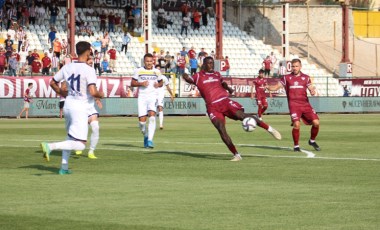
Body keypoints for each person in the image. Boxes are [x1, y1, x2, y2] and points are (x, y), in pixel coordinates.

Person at [182, 57, 282, 161]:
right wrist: (184, 73)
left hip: (224, 101)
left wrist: (228, 88)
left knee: (242, 116)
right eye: (209, 63)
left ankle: (270, 129)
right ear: (204, 64)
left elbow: (222, 83)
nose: (211, 65)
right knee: (221, 130)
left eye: (212, 63)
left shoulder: (217, 74)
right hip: (212, 107)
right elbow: (188, 79)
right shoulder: (198, 76)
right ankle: (236, 154)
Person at [40, 41, 104, 175]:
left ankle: (64, 168)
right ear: (87, 52)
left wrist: (62, 93)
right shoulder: (89, 69)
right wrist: (101, 94)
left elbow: (52, 82)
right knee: (80, 144)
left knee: (70, 138)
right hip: (79, 108)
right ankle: (50, 146)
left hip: (68, 104)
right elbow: (92, 91)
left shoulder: (68, 66)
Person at [267, 58, 320, 152]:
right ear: (291, 67)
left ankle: (312, 141)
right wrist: (268, 87)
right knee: (296, 124)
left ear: (300, 67)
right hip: (294, 105)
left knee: (316, 123)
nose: (295, 68)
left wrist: (312, 90)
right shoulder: (286, 78)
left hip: (305, 104)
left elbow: (311, 87)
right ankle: (296, 146)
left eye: (296, 66)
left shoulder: (306, 77)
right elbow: (276, 87)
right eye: (293, 66)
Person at [130, 53, 163, 148]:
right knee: (142, 122)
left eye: (150, 61)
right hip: (142, 98)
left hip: (153, 97)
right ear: (144, 61)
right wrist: (141, 83)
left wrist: (158, 85)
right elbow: (132, 83)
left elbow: (161, 82)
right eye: (147, 61)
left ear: (153, 61)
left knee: (152, 117)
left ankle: (150, 140)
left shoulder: (157, 71)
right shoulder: (139, 71)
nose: (149, 63)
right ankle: (145, 135)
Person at [75, 56, 103, 159]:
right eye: (89, 62)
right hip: (80, 106)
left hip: (90, 107)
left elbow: (93, 89)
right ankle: (78, 145)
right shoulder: (79, 74)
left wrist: (97, 99)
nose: (91, 63)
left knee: (95, 127)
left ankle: (91, 151)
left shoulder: (92, 74)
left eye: (91, 62)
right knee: (81, 129)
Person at [155, 65, 175, 130]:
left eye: (159, 69)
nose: (158, 71)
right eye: (157, 69)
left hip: (160, 95)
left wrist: (171, 95)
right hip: (153, 94)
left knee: (160, 108)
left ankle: (161, 124)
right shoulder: (152, 78)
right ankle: (153, 124)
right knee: (153, 110)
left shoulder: (164, 78)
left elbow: (168, 87)